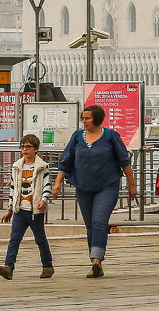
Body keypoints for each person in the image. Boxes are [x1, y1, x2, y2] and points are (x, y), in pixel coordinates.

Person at [53, 105, 135, 278]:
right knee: (90, 226)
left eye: (87, 118)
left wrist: (132, 184)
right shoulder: (77, 137)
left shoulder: (110, 136)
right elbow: (66, 160)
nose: (84, 121)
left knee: (99, 222)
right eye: (83, 118)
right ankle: (95, 263)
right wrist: (58, 182)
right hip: (83, 188)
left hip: (107, 186)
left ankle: (96, 259)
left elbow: (124, 160)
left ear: (97, 119)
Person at [0, 134, 53, 280]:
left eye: (28, 146)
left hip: (35, 211)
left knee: (40, 239)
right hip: (20, 210)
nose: (25, 149)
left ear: (36, 149)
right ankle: (9, 267)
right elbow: (13, 189)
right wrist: (9, 209)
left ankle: (47, 266)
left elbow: (46, 186)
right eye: (23, 146)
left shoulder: (42, 167)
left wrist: (44, 200)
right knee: (14, 238)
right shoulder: (17, 167)